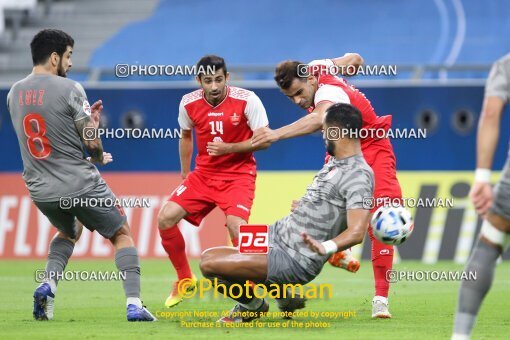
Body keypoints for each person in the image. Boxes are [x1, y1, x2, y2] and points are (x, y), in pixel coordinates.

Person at [6, 29, 156, 321]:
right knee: (121, 234)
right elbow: (91, 141)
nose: (71, 63)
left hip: (40, 189)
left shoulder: (13, 94)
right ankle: (134, 304)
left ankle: (48, 284)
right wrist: (97, 153)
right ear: (54, 57)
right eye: (68, 56)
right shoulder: (71, 89)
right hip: (80, 182)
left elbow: (48, 139)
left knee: (70, 231)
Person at [251, 55, 402, 318]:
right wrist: (351, 64)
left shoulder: (328, 90)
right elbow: (355, 58)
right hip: (339, 149)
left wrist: (275, 134)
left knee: (381, 218)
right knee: (312, 212)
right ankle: (335, 251)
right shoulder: (319, 66)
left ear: (310, 79)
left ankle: (380, 299)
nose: (298, 101)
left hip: (372, 146)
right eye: (290, 98)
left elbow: (319, 118)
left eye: (299, 93)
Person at [200, 103, 374, 323]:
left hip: (294, 256)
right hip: (276, 233)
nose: (322, 135)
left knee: (210, 265)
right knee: (212, 256)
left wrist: (326, 247)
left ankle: (253, 305)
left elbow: (357, 232)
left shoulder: (359, 174)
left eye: (325, 129)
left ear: (338, 132)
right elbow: (330, 204)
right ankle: (284, 295)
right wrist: (306, 205)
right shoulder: (334, 164)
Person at [157, 55, 270, 307]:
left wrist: (229, 148)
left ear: (227, 77)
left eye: (219, 79)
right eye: (208, 81)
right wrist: (186, 173)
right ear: (199, 81)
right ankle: (185, 280)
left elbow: (264, 140)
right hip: (204, 175)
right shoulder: (188, 103)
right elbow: (185, 136)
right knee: (165, 218)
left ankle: (254, 286)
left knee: (237, 226)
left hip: (239, 174)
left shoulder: (248, 99)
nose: (215, 86)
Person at [452, 54, 510, 340]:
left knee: (489, 245)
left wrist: (482, 178)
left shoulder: (505, 65)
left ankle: (461, 336)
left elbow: (490, 113)